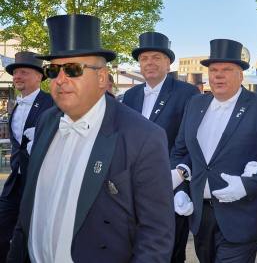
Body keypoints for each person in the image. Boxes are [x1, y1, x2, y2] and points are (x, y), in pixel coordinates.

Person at [7, 14, 175, 262]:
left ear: (101, 77)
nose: (61, 79)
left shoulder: (143, 136)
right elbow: (29, 207)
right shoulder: (47, 121)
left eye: (73, 69)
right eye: (53, 70)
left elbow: (156, 235)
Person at [170, 38, 257, 263]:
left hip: (242, 215)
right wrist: (180, 188)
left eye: (227, 69)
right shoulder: (195, 104)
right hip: (201, 216)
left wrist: (248, 184)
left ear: (241, 75)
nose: (218, 75)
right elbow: (181, 151)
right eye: (214, 70)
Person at [122, 31, 199, 263]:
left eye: (156, 57)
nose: (149, 63)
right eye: (144, 58)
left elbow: (192, 140)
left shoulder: (187, 93)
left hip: (171, 184)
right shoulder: (130, 95)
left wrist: (181, 178)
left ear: (168, 63)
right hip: (133, 187)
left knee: (170, 252)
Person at [0, 52, 53, 262]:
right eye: (15, 73)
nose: (17, 76)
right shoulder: (15, 106)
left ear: (39, 76)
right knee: (3, 225)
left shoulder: (51, 103)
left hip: (41, 182)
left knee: (32, 234)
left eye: (23, 72)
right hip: (16, 180)